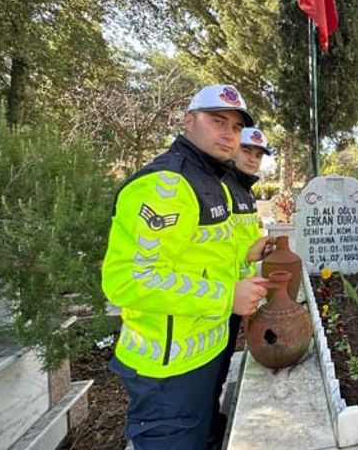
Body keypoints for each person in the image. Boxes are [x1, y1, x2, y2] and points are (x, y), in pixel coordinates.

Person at [102, 84, 275, 450]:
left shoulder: (213, 180)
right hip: (166, 373)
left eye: (235, 126)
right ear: (188, 121)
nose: (228, 134)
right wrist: (226, 296)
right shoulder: (163, 185)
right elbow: (127, 279)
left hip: (204, 356)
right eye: (217, 121)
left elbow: (205, 258)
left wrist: (246, 258)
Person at [209, 127, 272, 445]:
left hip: (237, 294)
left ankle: (212, 421)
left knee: (220, 366)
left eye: (259, 154)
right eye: (247, 151)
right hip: (217, 296)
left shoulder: (245, 191)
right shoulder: (220, 187)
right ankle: (207, 429)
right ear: (233, 148)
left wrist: (256, 249)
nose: (253, 158)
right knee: (212, 369)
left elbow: (239, 247)